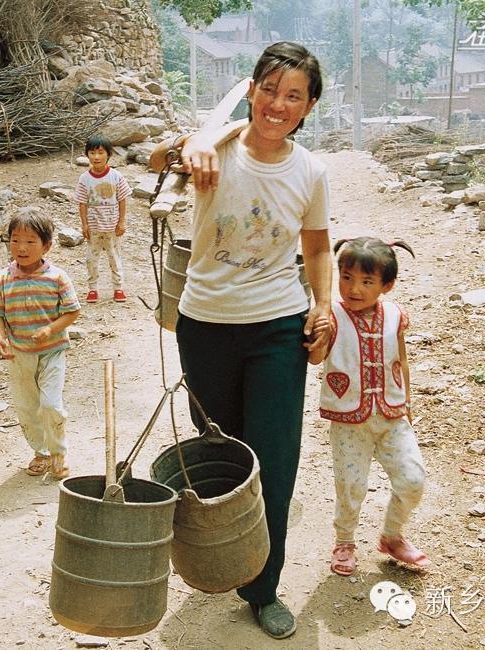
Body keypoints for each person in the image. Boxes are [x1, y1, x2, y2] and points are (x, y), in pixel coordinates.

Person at [149, 41, 332, 640]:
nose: (279, 105)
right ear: (251, 90)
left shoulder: (309, 171)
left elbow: (315, 247)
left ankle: (262, 586)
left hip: (278, 328)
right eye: (271, 90)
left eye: (294, 96)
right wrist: (186, 145)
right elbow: (156, 162)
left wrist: (324, 306)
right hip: (203, 326)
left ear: (308, 108)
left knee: (274, 460)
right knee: (224, 453)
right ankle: (225, 557)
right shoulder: (215, 147)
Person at [308, 237, 430, 576]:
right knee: (351, 485)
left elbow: (401, 360)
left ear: (386, 285)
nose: (354, 289)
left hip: (392, 415)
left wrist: (406, 400)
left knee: (413, 479)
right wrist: (317, 337)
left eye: (366, 281)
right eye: (346, 278)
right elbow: (316, 359)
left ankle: (392, 536)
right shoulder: (330, 314)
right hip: (349, 420)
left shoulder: (395, 315)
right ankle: (344, 541)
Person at [0, 209, 80, 480]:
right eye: (15, 240)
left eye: (30, 241)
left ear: (46, 246)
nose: (21, 248)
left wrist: (50, 328)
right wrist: (0, 338)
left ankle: (58, 451)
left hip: (52, 351)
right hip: (19, 355)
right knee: (27, 406)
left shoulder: (58, 278)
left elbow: (73, 311)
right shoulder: (3, 278)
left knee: (50, 404)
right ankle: (41, 452)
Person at [75, 134, 131, 303]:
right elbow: (82, 203)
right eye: (92, 153)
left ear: (108, 154)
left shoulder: (116, 177)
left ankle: (118, 288)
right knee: (92, 259)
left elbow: (122, 200)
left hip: (112, 227)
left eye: (100, 153)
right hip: (94, 228)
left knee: (114, 257)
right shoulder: (84, 179)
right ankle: (92, 289)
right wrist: (84, 225)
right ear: (87, 155)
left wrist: (121, 222)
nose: (96, 157)